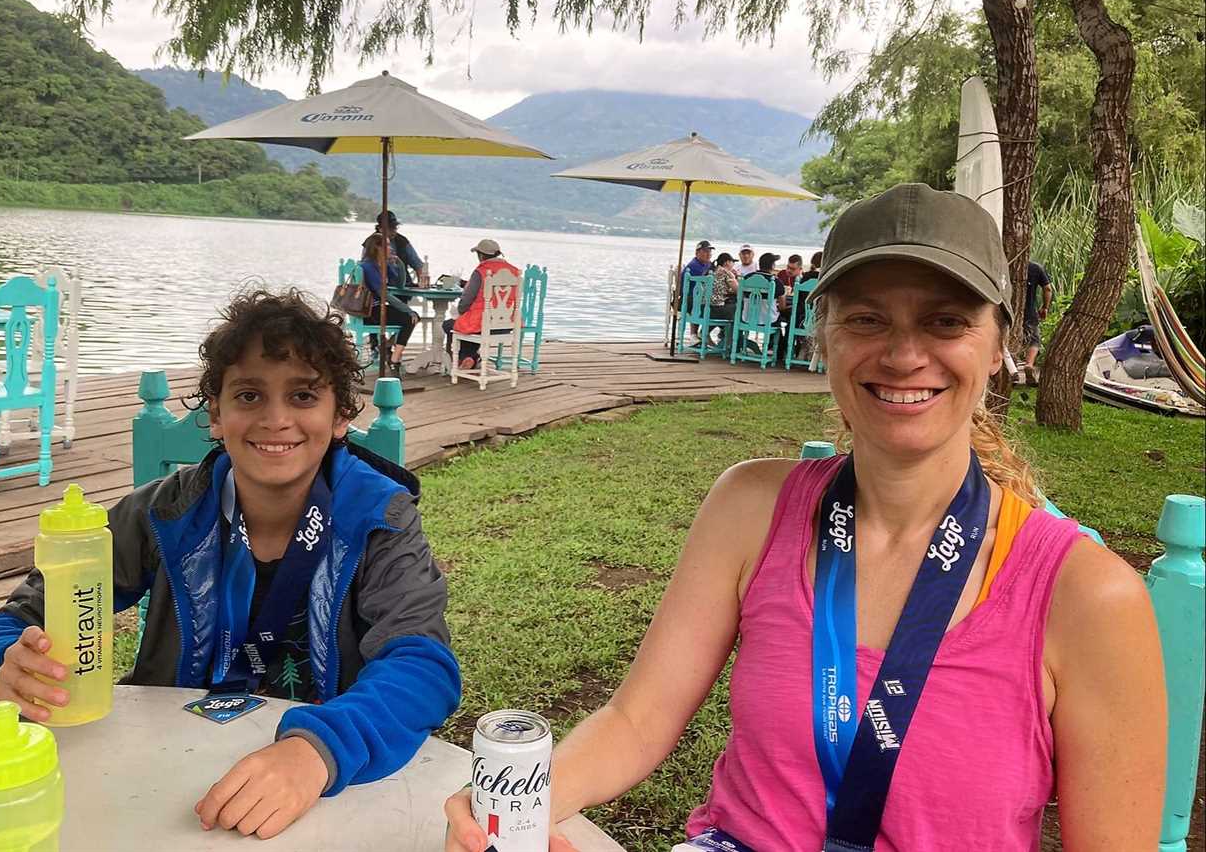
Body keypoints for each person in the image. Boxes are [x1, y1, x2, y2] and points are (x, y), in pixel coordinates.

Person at [444, 183, 1165, 851]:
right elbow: (636, 723)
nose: (906, 353)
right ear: (826, 339)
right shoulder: (750, 508)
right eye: (866, 319)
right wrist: (511, 809)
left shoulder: (1086, 597)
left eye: (946, 321)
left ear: (1002, 346)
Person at [0, 290, 461, 841]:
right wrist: (3, 666)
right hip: (165, 774)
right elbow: (5, 626)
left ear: (340, 415)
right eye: (248, 395)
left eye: (302, 395)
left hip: (316, 783)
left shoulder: (380, 519)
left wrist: (320, 752)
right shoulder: (163, 512)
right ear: (216, 414)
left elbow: (422, 666)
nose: (275, 419)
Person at [442, 238, 520, 370]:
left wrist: (460, 310)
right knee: (470, 328)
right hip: (507, 324)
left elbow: (466, 301)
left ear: (481, 255)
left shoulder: (481, 271)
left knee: (449, 325)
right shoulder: (514, 271)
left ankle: (462, 359)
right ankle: (470, 358)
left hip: (483, 323)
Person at [360, 234, 419, 377]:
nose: (390, 247)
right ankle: (394, 359)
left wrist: (399, 264)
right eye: (386, 245)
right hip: (370, 311)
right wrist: (408, 310)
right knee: (409, 318)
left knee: (413, 317)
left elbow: (400, 284)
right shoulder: (368, 266)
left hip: (378, 308)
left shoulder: (383, 264)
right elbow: (384, 294)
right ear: (377, 248)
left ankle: (387, 348)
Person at [365, 210, 426, 287]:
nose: (394, 231)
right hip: (378, 288)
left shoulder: (402, 241)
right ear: (380, 228)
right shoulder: (370, 242)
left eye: (395, 227)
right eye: (390, 228)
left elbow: (418, 265)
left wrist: (422, 285)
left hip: (402, 288)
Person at [1024, 259, 1053, 384]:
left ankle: (1011, 368)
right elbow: (1047, 289)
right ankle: (1029, 364)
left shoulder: (1007, 264)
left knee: (1009, 337)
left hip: (1009, 309)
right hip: (1029, 311)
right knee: (1034, 340)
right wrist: (1045, 307)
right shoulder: (1036, 268)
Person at [707, 251, 739, 344]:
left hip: (704, 308)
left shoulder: (712, 271)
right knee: (737, 309)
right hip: (715, 309)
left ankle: (707, 332)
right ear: (727, 262)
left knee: (731, 307)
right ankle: (730, 342)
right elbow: (738, 290)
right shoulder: (726, 272)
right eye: (732, 262)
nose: (733, 265)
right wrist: (734, 277)